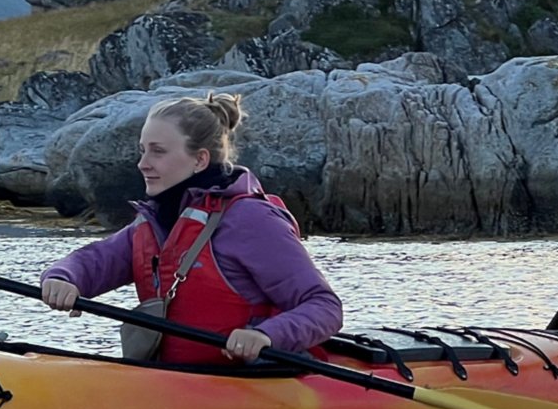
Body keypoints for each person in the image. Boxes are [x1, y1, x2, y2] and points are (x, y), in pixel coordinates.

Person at [39, 91, 343, 365]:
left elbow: (324, 307)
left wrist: (267, 336)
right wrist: (63, 277)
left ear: (199, 160)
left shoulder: (251, 219)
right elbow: (95, 261)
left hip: (251, 380)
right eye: (142, 150)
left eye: (158, 151)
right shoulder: (155, 219)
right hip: (173, 380)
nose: (142, 163)